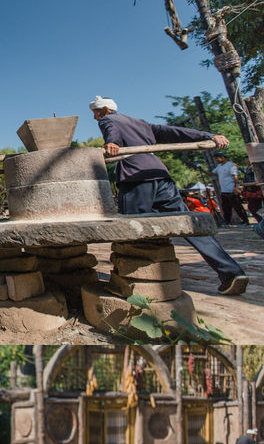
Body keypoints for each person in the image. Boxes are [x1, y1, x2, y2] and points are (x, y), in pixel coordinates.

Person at [89, 96, 249, 296]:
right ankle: (230, 272)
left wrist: (111, 142)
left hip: (137, 178)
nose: (95, 117)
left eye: (95, 112)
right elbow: (176, 133)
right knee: (189, 225)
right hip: (161, 177)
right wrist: (208, 136)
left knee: (130, 232)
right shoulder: (141, 124)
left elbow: (110, 131)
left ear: (104, 109)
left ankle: (130, 284)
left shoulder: (108, 119)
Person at [212, 153, 248, 226]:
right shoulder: (219, 166)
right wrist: (202, 170)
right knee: (226, 207)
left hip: (231, 189)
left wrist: (235, 187)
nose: (216, 160)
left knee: (237, 206)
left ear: (222, 157)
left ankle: (245, 221)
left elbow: (235, 177)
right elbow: (212, 173)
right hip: (224, 190)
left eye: (217, 158)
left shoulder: (230, 165)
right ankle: (227, 221)